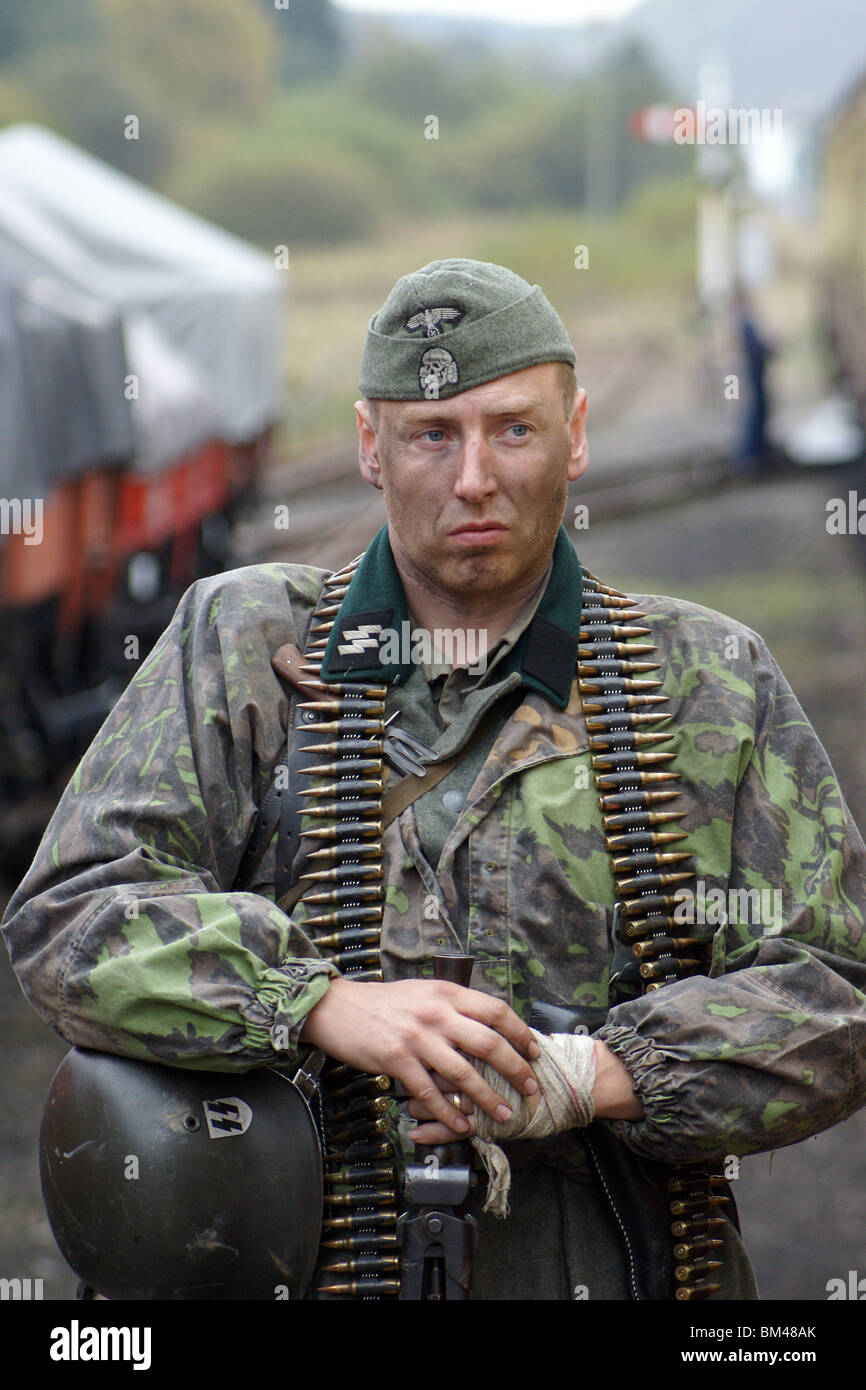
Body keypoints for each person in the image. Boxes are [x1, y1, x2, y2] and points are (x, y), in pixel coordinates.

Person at [3, 259, 866, 1302]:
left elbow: (831, 993)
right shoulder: (241, 645)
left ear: (575, 434)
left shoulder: (701, 678)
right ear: (371, 444)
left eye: (511, 428)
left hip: (621, 1264)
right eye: (430, 434)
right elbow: (68, 915)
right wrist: (315, 1001)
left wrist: (591, 1075)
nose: (472, 478)